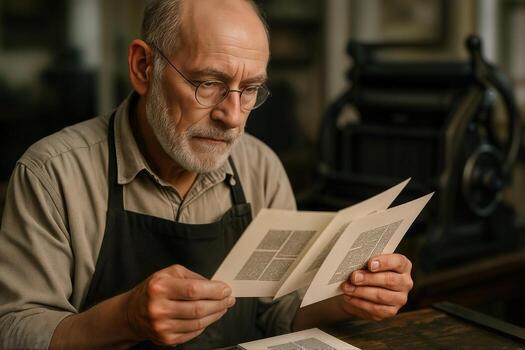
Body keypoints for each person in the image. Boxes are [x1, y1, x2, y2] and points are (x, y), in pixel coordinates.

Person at [0, 0, 414, 349]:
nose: (232, 116)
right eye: (208, 83)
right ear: (144, 67)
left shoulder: (260, 166)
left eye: (250, 89)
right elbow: (13, 329)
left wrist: (349, 299)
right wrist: (125, 317)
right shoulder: (51, 174)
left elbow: (278, 312)